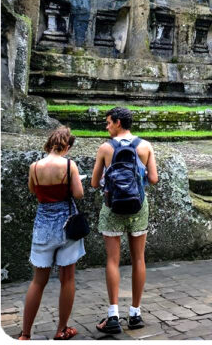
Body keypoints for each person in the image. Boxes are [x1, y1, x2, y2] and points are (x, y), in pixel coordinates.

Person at [91, 107, 158, 334]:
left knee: (112, 260)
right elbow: (154, 178)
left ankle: (112, 316)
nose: (106, 126)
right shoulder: (146, 146)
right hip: (139, 206)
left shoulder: (105, 148)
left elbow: (93, 183)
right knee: (139, 258)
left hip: (112, 207)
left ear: (118, 122)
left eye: (109, 122)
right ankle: (135, 313)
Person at [20, 126, 85, 340]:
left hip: (43, 225)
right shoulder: (69, 165)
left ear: (49, 144)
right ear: (66, 146)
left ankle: (26, 333)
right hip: (66, 225)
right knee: (67, 278)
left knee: (38, 280)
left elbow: (33, 190)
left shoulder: (34, 167)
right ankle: (61, 329)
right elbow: (78, 193)